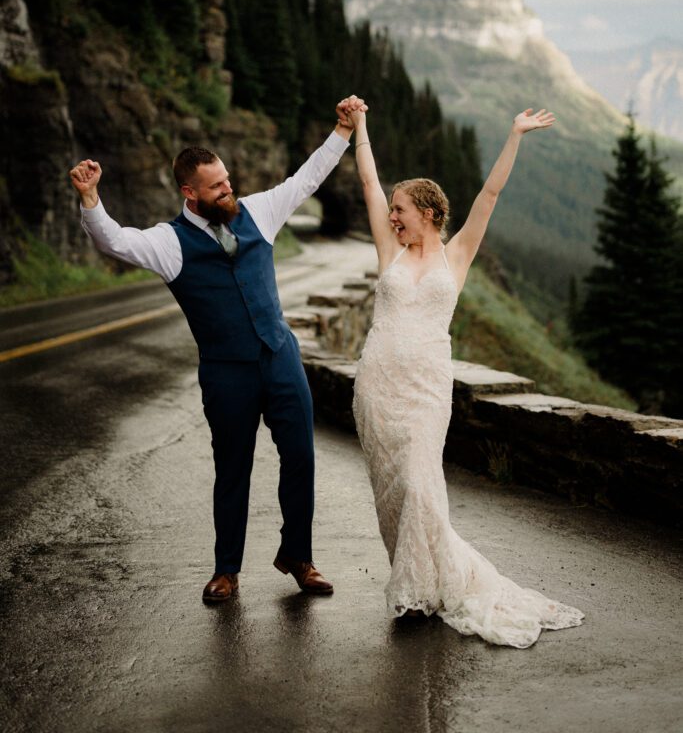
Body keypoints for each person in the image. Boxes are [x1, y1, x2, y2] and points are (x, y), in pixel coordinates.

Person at [69, 95, 367, 603]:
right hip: (226, 373)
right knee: (233, 468)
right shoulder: (169, 243)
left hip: (281, 357)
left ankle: (298, 555)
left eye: (228, 180)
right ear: (190, 191)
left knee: (300, 456)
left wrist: (342, 130)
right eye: (217, 186)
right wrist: (91, 198)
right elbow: (114, 241)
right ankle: (226, 570)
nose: (229, 189)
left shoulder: (258, 211)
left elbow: (306, 180)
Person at [346, 105, 584, 648]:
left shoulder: (456, 256)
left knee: (420, 483)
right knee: (392, 492)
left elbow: (489, 197)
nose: (394, 218)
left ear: (428, 212)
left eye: (402, 211)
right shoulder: (390, 252)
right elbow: (367, 179)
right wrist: (361, 125)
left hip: (427, 388)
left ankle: (421, 588)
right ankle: (416, 583)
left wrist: (515, 135)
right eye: (393, 211)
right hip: (378, 384)